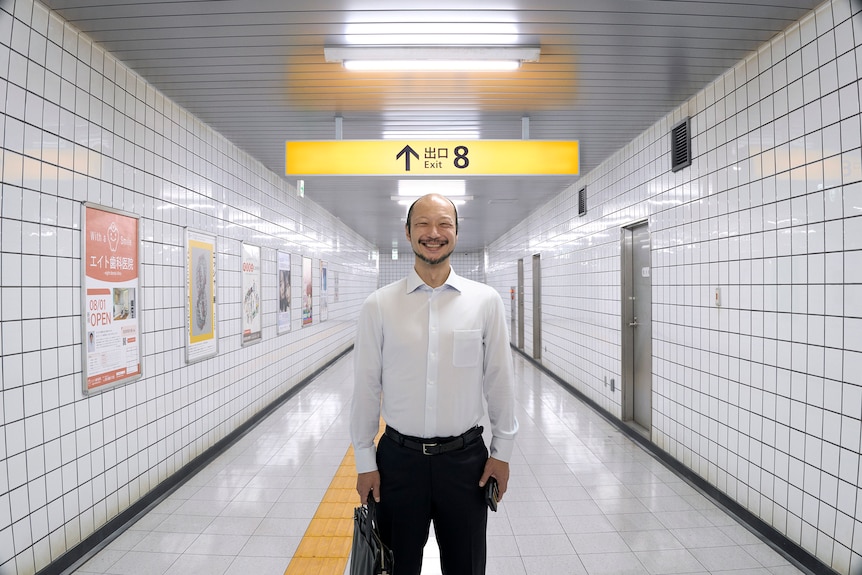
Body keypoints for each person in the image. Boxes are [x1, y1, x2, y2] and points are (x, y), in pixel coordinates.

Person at [350, 193, 518, 575]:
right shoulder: (379, 305)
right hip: (397, 462)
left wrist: (502, 451)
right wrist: (364, 459)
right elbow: (365, 388)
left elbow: (499, 381)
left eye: (444, 223)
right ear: (407, 233)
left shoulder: (485, 302)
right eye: (423, 224)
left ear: (456, 232)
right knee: (394, 566)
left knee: (467, 566)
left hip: (466, 464)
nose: (433, 233)